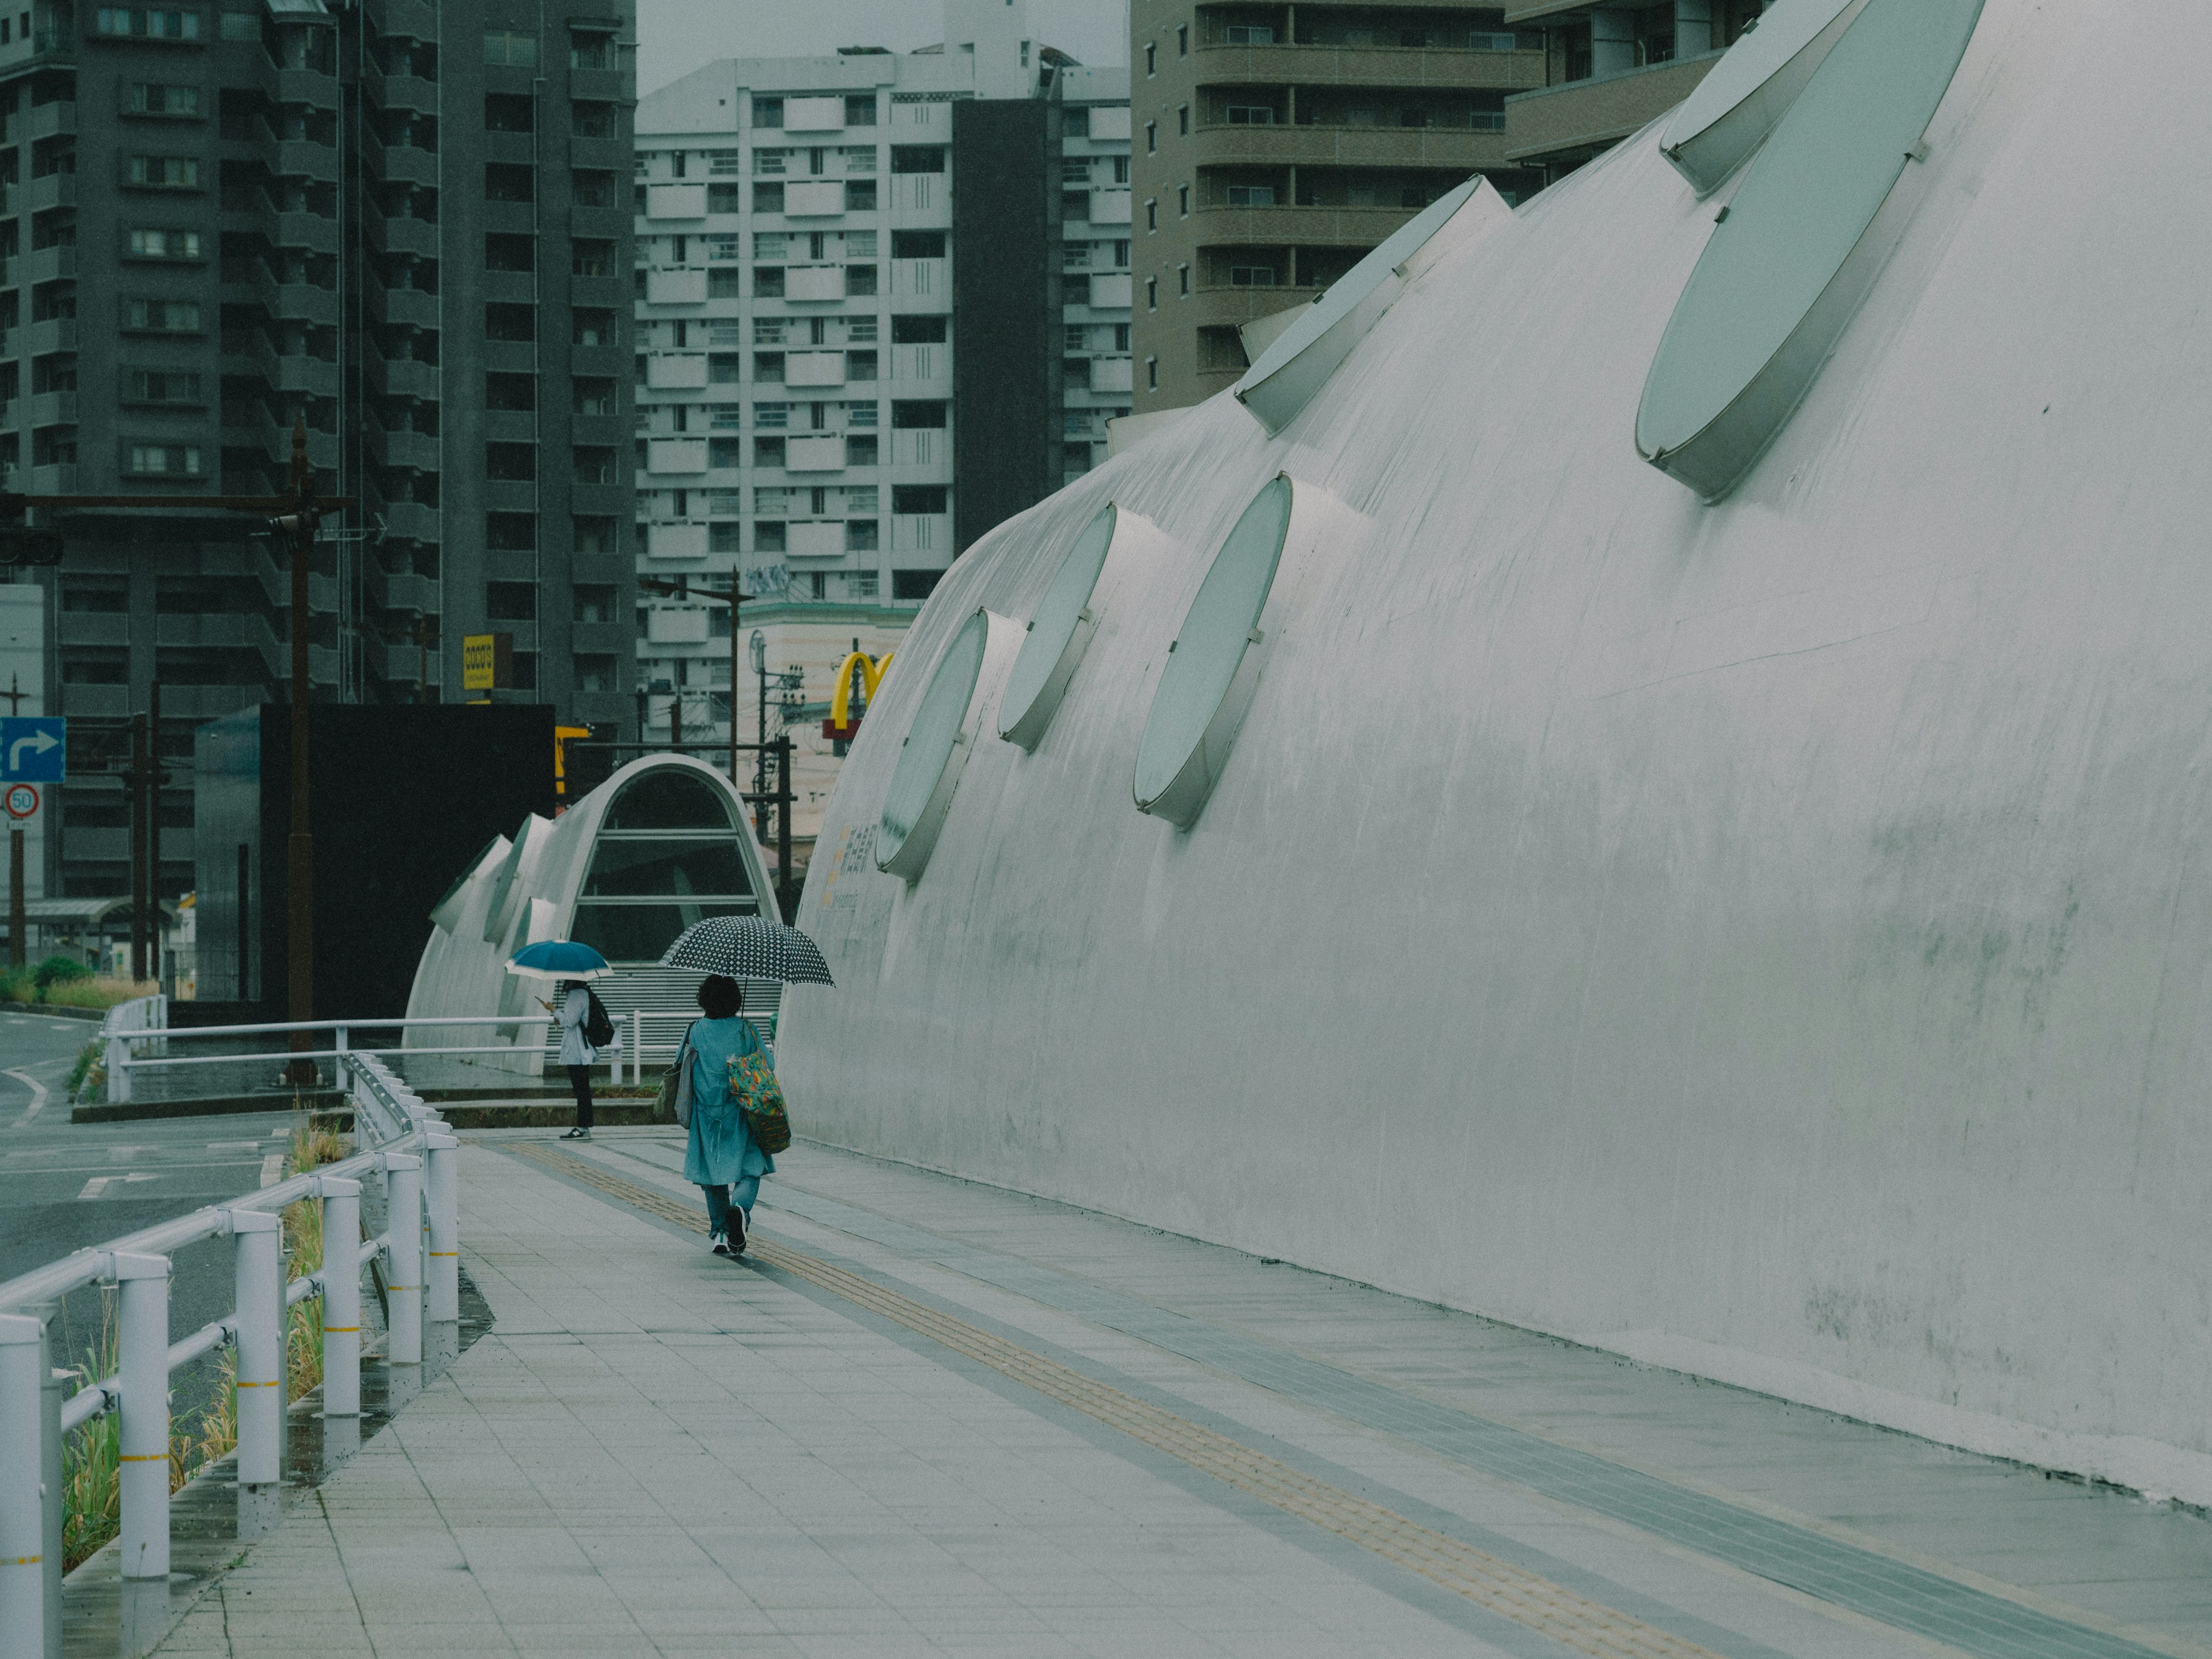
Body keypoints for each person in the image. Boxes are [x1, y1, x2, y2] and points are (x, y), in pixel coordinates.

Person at [684, 973, 775, 1256]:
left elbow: (681, 1066)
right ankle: (740, 1211)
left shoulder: (696, 1029)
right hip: (744, 1111)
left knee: (713, 1176)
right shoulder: (746, 1029)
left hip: (707, 1115)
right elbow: (768, 1065)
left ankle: (720, 1233)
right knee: (750, 1169)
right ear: (736, 1000)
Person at [542, 979, 596, 1141]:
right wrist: (560, 1014)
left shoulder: (577, 995)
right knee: (582, 1090)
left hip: (577, 1051)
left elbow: (570, 1021)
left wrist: (553, 1010)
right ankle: (584, 1127)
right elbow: (572, 1019)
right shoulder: (583, 993)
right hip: (579, 1050)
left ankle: (583, 1128)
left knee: (581, 1090)